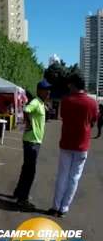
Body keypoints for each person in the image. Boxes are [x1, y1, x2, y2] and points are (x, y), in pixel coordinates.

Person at [47, 74, 98, 218]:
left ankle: (55, 206)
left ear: (74, 85)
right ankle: (64, 208)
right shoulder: (92, 102)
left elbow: (63, 116)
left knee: (62, 175)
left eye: (70, 84)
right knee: (74, 177)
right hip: (82, 145)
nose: (68, 87)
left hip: (66, 143)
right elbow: (93, 120)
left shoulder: (67, 100)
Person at [12, 79, 51, 209]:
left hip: (34, 141)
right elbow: (26, 109)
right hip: (32, 141)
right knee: (30, 171)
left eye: (48, 90)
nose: (48, 93)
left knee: (26, 169)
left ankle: (18, 192)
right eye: (46, 90)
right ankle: (22, 199)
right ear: (39, 91)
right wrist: (28, 123)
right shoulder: (35, 101)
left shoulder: (40, 103)